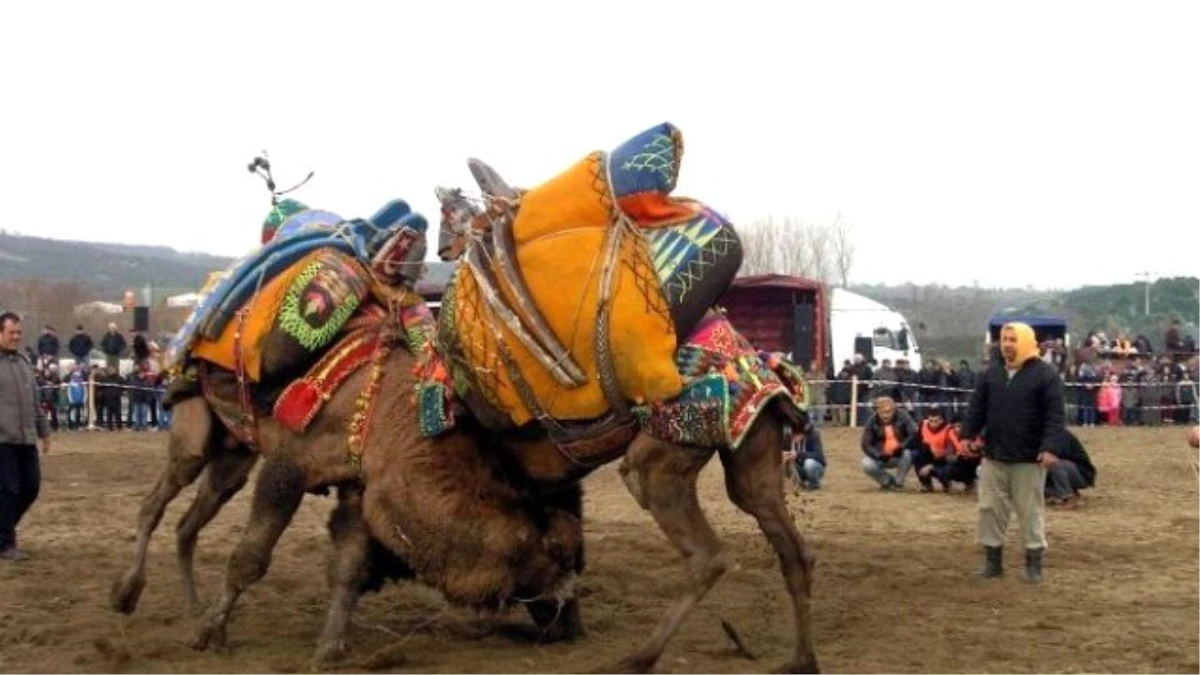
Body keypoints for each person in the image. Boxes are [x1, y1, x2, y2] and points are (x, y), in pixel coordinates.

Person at [962, 322, 1066, 584]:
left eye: (1013, 339)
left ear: (1027, 341)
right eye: (1004, 339)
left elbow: (1055, 417)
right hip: (994, 454)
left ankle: (1033, 563)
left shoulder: (1046, 375)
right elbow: (976, 408)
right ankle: (992, 562)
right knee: (990, 509)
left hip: (1029, 459)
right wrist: (966, 435)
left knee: (1030, 511)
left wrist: (1051, 448)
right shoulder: (990, 373)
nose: (1007, 344)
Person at [0, 312, 51, 561]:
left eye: (19, 332)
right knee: (9, 490)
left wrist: (44, 432)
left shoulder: (23, 362)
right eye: (11, 333)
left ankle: (2, 530)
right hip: (3, 440)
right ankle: (5, 543)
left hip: (26, 438)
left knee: (31, 488)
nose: (16, 337)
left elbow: (35, 401)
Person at [860, 396, 918, 490]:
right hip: (882, 455)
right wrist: (878, 455)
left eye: (888, 411)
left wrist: (901, 447)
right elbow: (865, 444)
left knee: (908, 454)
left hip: (900, 455)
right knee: (866, 463)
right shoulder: (871, 421)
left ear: (894, 409)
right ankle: (887, 482)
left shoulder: (903, 416)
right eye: (882, 412)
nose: (885, 415)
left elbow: (914, 434)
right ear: (877, 411)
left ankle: (899, 482)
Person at [1045, 429, 1097, 510]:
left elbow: (1058, 455)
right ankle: (1069, 493)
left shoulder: (1060, 434)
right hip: (1063, 471)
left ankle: (1068, 498)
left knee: (1053, 463)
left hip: (1081, 474)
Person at [783, 420, 827, 491]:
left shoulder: (813, 435)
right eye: (793, 434)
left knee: (809, 463)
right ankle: (799, 482)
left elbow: (819, 456)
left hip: (815, 467)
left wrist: (798, 454)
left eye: (796, 434)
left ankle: (814, 483)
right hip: (798, 467)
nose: (794, 437)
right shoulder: (787, 437)